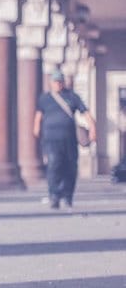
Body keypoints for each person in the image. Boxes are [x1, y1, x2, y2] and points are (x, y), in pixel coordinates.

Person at [33, 69, 96, 209]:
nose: (58, 84)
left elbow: (85, 112)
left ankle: (67, 196)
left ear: (63, 82)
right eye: (55, 81)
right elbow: (38, 115)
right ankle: (54, 195)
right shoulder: (45, 99)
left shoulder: (72, 97)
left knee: (70, 168)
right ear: (51, 83)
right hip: (51, 139)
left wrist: (93, 129)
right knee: (54, 165)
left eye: (60, 81)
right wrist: (36, 129)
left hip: (69, 140)